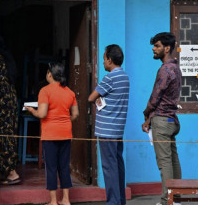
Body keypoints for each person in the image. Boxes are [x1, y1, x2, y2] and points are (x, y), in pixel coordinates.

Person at [25, 62, 79, 205]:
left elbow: (42, 113)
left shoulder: (45, 91)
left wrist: (31, 110)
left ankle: (53, 201)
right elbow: (75, 114)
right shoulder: (70, 92)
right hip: (66, 133)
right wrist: (64, 120)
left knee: (51, 167)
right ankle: (66, 199)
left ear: (50, 74)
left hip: (50, 134)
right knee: (63, 166)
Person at [141, 32, 182, 205]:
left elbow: (155, 97)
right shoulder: (176, 68)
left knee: (164, 162)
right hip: (172, 120)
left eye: (157, 46)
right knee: (173, 160)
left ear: (167, 48)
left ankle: (168, 200)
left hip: (162, 120)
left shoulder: (165, 69)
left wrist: (146, 113)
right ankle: (176, 197)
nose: (154, 48)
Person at [88, 44, 130, 205]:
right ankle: (120, 200)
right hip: (118, 129)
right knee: (118, 164)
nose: (104, 62)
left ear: (110, 60)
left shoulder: (110, 77)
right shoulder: (124, 76)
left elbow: (91, 97)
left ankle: (113, 201)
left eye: (104, 59)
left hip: (106, 130)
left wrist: (99, 98)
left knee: (108, 167)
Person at [0, 36, 21, 185]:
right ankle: (9, 171)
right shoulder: (8, 61)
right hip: (10, 102)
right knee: (9, 135)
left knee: (3, 137)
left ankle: (12, 172)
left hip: (1, 104)